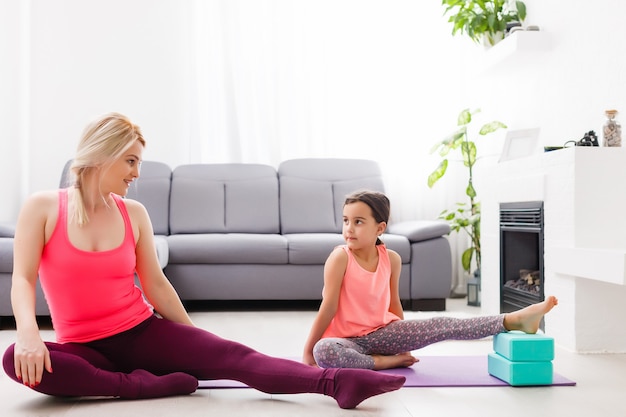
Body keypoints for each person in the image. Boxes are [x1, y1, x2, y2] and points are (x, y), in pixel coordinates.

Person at [2, 113, 406, 409]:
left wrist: (196, 341)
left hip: (140, 332)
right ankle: (137, 385)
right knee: (14, 360)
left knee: (236, 358)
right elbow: (23, 279)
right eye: (130, 161)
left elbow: (156, 284)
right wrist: (29, 334)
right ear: (103, 154)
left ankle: (335, 383)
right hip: (81, 346)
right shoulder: (43, 207)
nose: (136, 173)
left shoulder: (133, 213)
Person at [302, 190, 559, 370]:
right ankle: (382, 363)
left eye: (358, 222)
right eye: (346, 221)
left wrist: (403, 343)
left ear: (379, 228)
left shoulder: (391, 258)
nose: (349, 228)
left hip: (383, 333)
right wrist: (308, 349)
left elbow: (393, 305)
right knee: (324, 351)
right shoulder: (340, 258)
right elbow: (329, 307)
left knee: (442, 324)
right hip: (345, 340)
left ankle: (513, 319)